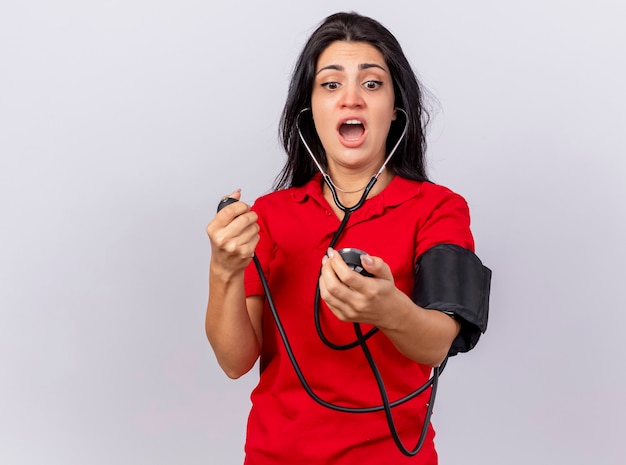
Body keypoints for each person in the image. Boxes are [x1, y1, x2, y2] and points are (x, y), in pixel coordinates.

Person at [205, 11, 490, 465]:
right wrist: (223, 270)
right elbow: (235, 361)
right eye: (331, 84)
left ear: (396, 109)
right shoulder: (268, 217)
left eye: (372, 84)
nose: (351, 99)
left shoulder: (439, 209)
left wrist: (388, 309)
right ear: (310, 108)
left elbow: (438, 343)